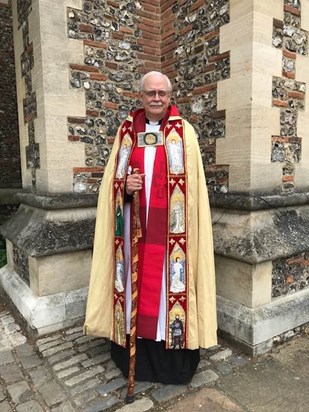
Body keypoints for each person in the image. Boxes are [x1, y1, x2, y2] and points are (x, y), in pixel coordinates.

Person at [84, 71, 217, 385]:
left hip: (174, 237)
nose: (156, 98)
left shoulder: (184, 133)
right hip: (133, 234)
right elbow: (110, 186)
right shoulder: (127, 132)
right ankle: (134, 352)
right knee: (134, 288)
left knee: (168, 291)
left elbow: (195, 191)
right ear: (140, 96)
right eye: (150, 93)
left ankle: (170, 358)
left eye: (162, 93)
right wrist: (124, 187)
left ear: (170, 96)